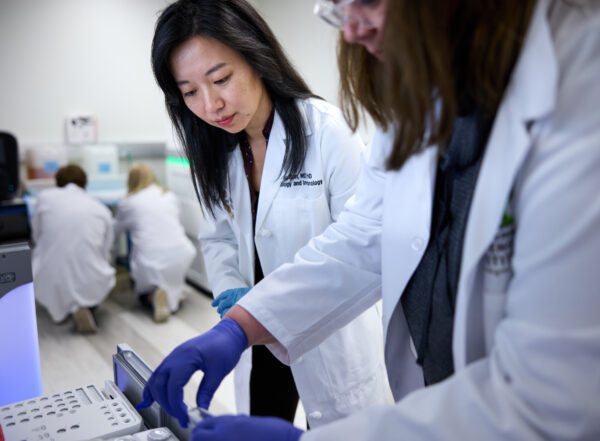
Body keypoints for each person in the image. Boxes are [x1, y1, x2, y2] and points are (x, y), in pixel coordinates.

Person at [141, 0, 600, 439]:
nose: (352, 29)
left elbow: (551, 400)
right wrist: (240, 324)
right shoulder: (416, 106)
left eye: (369, 1)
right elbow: (360, 238)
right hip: (416, 392)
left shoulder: (579, 102)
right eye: (339, 8)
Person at [147, 0, 391, 428]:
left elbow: (360, 243)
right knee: (262, 417)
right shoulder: (216, 150)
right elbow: (218, 237)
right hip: (254, 330)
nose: (210, 105)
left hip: (330, 330)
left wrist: (259, 313)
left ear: (256, 58)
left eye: (220, 78)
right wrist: (233, 297)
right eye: (189, 92)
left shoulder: (327, 130)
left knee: (335, 427)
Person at [32, 164, 115, 333]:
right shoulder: (100, 208)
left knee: (45, 264)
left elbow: (36, 235)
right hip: (90, 277)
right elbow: (107, 250)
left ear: (58, 183)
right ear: (84, 184)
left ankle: (66, 311)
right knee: (97, 275)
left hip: (51, 275)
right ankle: (84, 308)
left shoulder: (44, 198)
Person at [114, 163, 196, 323]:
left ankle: (153, 297)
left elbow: (115, 231)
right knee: (173, 285)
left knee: (143, 291)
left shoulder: (128, 203)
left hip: (150, 259)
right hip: (182, 253)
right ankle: (171, 296)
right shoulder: (169, 195)